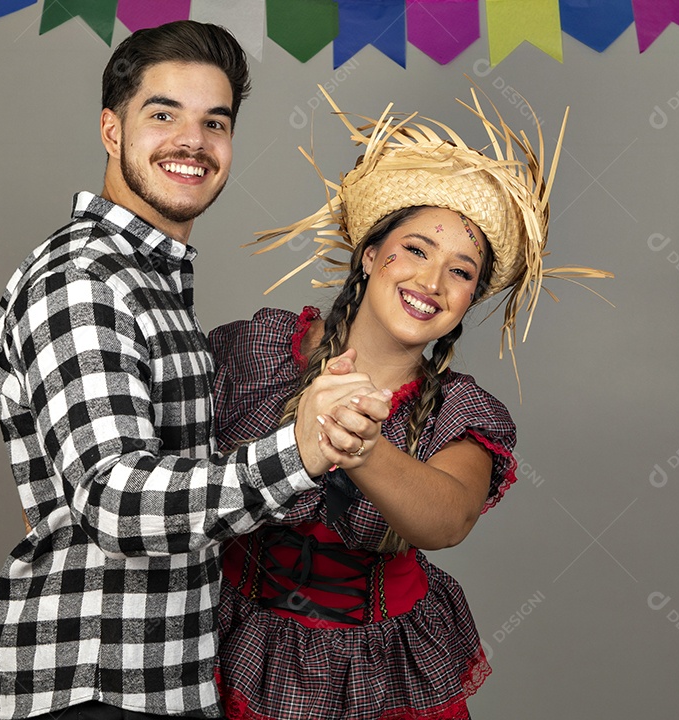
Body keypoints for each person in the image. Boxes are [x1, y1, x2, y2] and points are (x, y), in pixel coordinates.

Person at [0, 22, 389, 720]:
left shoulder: (150, 281)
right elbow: (114, 498)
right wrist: (299, 450)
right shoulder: (83, 280)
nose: (192, 142)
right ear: (111, 129)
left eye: (214, 123)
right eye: (163, 114)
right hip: (94, 682)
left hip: (164, 681)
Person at [208, 88, 612, 719]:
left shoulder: (461, 411)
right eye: (418, 250)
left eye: (461, 271)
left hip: (377, 669)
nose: (431, 282)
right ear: (371, 255)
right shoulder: (259, 348)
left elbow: (448, 519)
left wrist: (359, 445)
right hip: (228, 642)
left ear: (471, 297)